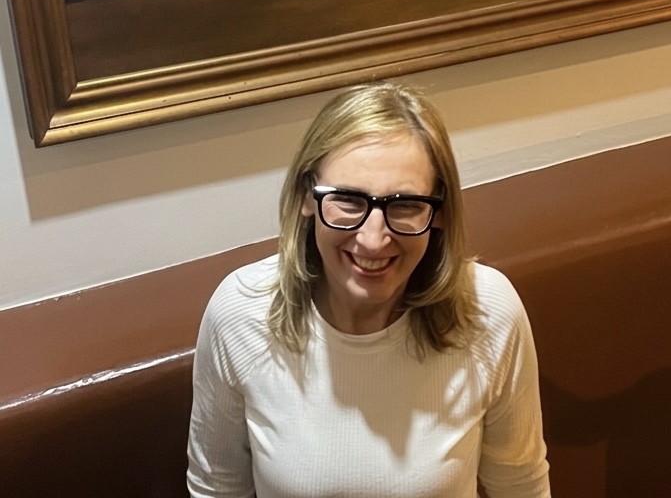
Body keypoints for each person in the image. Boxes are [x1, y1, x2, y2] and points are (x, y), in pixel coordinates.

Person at [187, 80, 551, 497]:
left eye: (406, 205)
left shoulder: (488, 310)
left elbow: (521, 487)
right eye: (348, 200)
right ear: (307, 197)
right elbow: (216, 488)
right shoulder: (240, 312)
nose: (373, 240)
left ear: (439, 212)